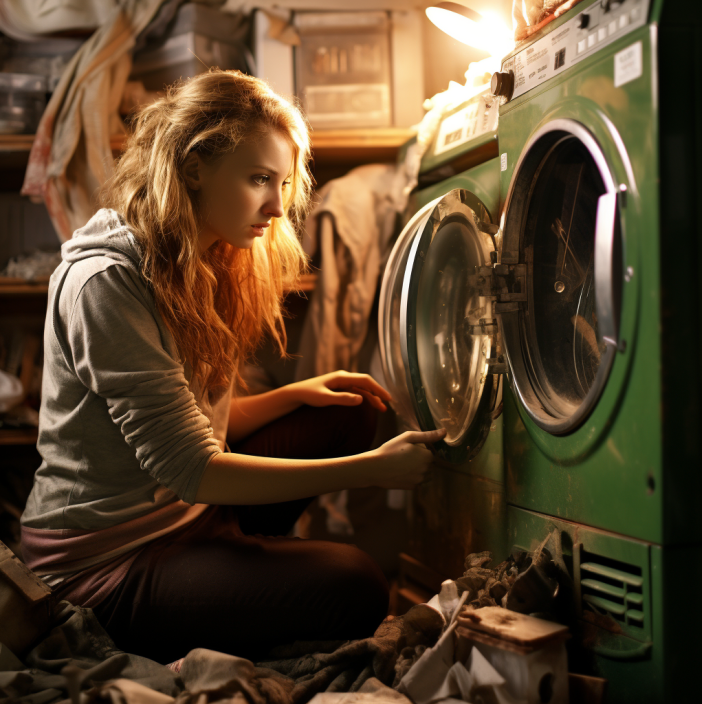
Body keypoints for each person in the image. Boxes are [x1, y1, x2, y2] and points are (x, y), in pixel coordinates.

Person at [20, 70, 445, 665]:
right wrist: (371, 471)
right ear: (193, 169)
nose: (277, 205)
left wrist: (298, 394)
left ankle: (236, 578)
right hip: (108, 561)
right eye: (258, 179)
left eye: (284, 182)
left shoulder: (201, 253)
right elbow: (192, 467)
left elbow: (194, 426)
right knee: (358, 583)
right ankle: (231, 586)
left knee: (352, 409)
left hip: (183, 512)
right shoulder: (107, 283)